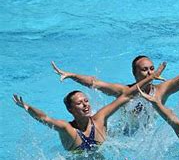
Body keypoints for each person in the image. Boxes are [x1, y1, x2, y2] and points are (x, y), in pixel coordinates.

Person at [51, 42, 179, 132]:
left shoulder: (161, 90)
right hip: (124, 136)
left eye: (152, 68)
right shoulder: (125, 92)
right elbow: (94, 83)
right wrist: (73, 76)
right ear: (135, 74)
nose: (150, 73)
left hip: (148, 136)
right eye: (144, 70)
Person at [11, 64, 165, 152]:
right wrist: (26, 106)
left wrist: (150, 78)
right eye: (79, 103)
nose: (85, 104)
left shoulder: (99, 119)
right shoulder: (68, 129)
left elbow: (125, 96)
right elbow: (44, 118)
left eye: (86, 101)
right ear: (70, 109)